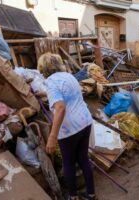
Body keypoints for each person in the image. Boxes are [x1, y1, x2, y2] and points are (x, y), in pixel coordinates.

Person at [37, 53, 96, 200]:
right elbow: (65, 91)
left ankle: (73, 197)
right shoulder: (68, 76)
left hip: (70, 130)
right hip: (85, 122)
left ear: (43, 69)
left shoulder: (51, 82)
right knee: (83, 158)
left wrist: (52, 136)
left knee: (68, 163)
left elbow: (61, 107)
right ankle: (91, 194)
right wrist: (45, 93)